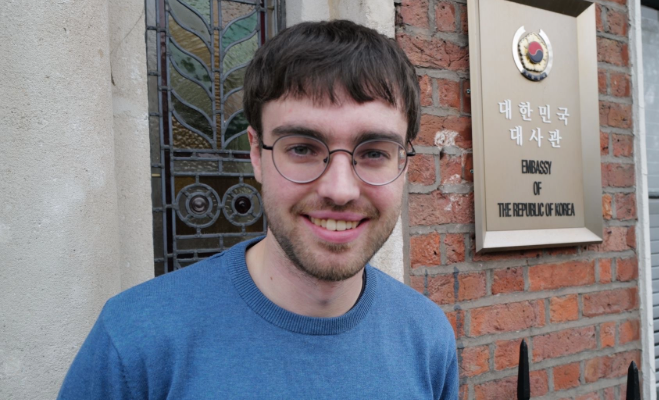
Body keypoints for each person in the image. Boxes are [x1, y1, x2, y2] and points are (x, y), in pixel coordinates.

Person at [58, 20, 458, 399]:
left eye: (374, 153)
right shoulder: (134, 341)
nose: (340, 190)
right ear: (256, 153)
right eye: (301, 148)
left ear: (404, 163)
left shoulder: (427, 337)